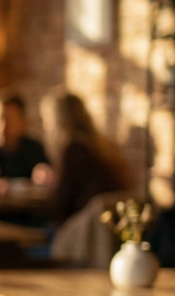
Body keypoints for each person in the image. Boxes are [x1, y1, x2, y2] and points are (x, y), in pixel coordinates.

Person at [40, 87, 133, 223]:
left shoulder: (74, 150)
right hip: (109, 230)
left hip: (84, 232)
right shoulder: (102, 145)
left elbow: (59, 205)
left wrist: (51, 185)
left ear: (56, 121)